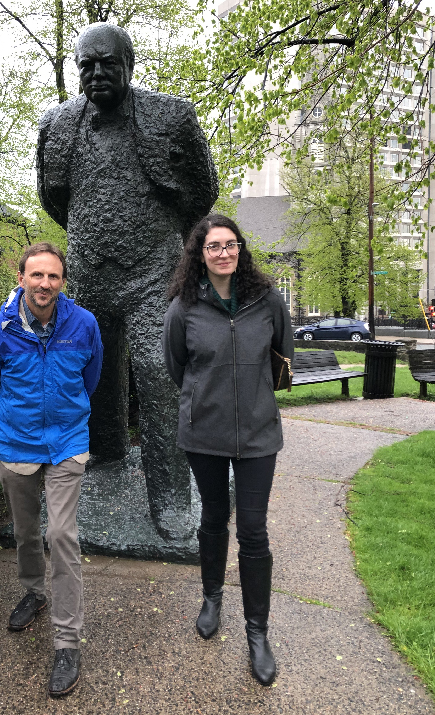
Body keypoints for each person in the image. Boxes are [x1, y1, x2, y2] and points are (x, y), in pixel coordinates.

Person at [37, 22, 218, 540]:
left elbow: (200, 191)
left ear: (129, 64)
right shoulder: (59, 124)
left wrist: (159, 238)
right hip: (91, 272)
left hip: (153, 275)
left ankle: (170, 496)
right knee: (93, 370)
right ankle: (108, 451)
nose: (96, 74)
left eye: (106, 63)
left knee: (159, 376)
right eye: (85, 65)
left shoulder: (172, 116)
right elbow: (55, 200)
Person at [162, 214, 294, 686]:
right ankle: (212, 596)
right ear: (200, 254)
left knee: (254, 531)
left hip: (259, 434)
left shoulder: (267, 300)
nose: (223, 252)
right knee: (214, 517)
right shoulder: (184, 307)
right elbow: (177, 366)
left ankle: (257, 633)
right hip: (205, 435)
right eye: (214, 246)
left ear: (240, 249)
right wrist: (208, 400)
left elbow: (282, 355)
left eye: (231, 244)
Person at [0, 242, 103, 697]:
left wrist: (65, 416)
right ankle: (33, 590)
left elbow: (92, 376)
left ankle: (67, 642)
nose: (45, 284)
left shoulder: (82, 324)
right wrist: (19, 418)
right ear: (21, 277)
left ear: (62, 282)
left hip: (67, 443)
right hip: (15, 444)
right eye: (37, 275)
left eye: (54, 277)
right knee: (26, 532)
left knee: (61, 535)